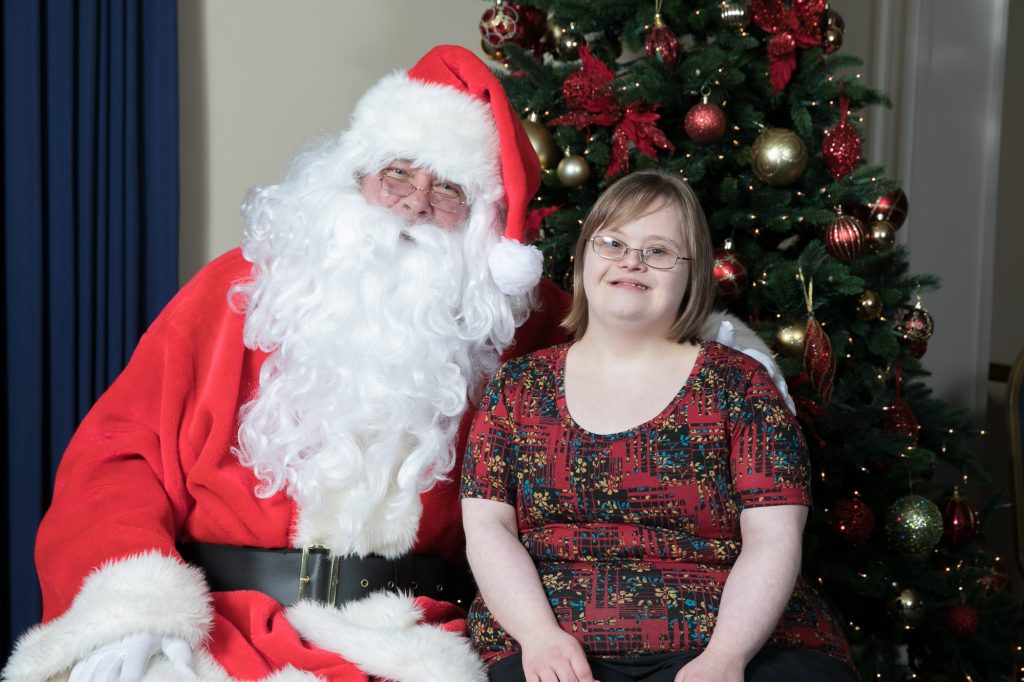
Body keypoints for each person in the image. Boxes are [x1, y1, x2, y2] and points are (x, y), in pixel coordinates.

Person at [2, 46, 574, 682]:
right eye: (398, 175)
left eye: (447, 189)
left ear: (480, 219)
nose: (415, 204)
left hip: (414, 636)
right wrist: (133, 609)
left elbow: (616, 419)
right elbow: (118, 456)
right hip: (220, 624)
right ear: (353, 175)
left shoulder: (521, 326)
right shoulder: (242, 290)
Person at [460, 170, 856, 682]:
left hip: (732, 641)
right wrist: (539, 637)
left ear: (692, 276)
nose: (632, 261)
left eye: (660, 250)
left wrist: (725, 658)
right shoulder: (516, 387)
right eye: (614, 243)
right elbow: (488, 527)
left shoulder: (740, 385)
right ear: (583, 262)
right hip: (549, 638)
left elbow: (773, 538)